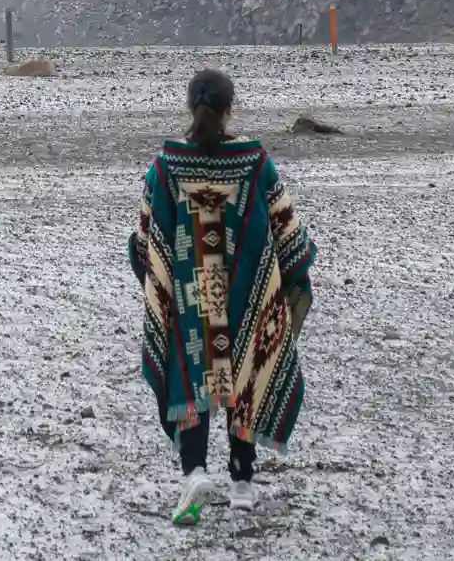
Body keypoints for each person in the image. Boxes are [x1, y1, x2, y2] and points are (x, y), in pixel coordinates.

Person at [129, 67, 316, 526]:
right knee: (247, 375)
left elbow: (143, 241)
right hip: (247, 293)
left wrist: (158, 280)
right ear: (230, 109)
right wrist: (294, 279)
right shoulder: (254, 163)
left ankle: (194, 471)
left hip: (193, 300)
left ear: (189, 107)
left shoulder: (167, 166)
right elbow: (287, 230)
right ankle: (242, 483)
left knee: (190, 371)